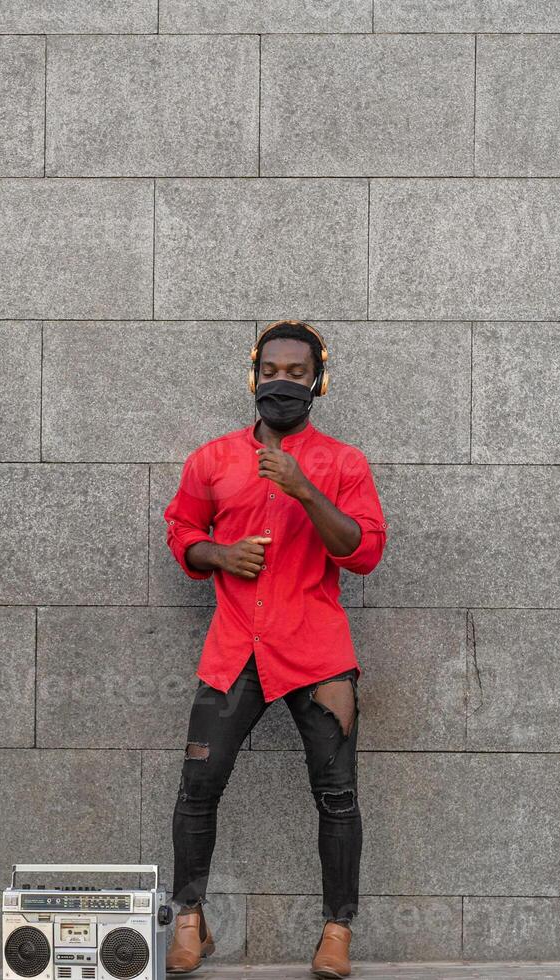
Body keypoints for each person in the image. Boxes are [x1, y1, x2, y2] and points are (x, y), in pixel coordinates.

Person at [161, 319, 387, 979]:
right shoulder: (211, 460)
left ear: (318, 380)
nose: (280, 384)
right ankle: (189, 921)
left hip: (316, 656)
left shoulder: (343, 463)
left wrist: (301, 487)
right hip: (234, 651)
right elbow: (180, 530)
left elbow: (364, 550)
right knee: (197, 788)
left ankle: (336, 932)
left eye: (296, 373)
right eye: (271, 371)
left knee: (336, 795)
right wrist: (219, 555)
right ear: (253, 375)